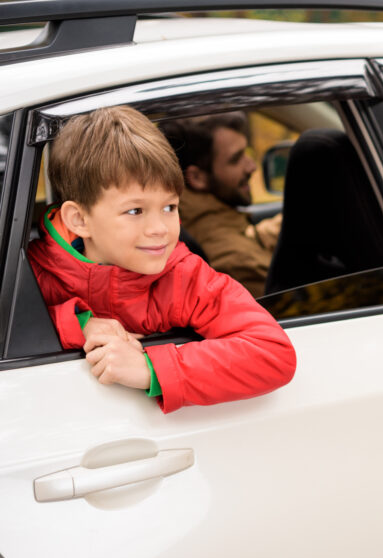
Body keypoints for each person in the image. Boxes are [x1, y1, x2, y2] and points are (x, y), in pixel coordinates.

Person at [27, 106, 296, 414]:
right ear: (79, 220)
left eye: (169, 207)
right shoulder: (34, 274)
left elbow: (273, 353)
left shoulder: (184, 277)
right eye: (135, 211)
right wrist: (78, 325)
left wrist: (151, 368)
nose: (160, 230)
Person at [159, 112, 280, 297]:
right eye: (236, 159)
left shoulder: (207, 222)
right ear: (198, 178)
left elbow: (250, 238)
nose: (251, 166)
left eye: (246, 153)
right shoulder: (236, 263)